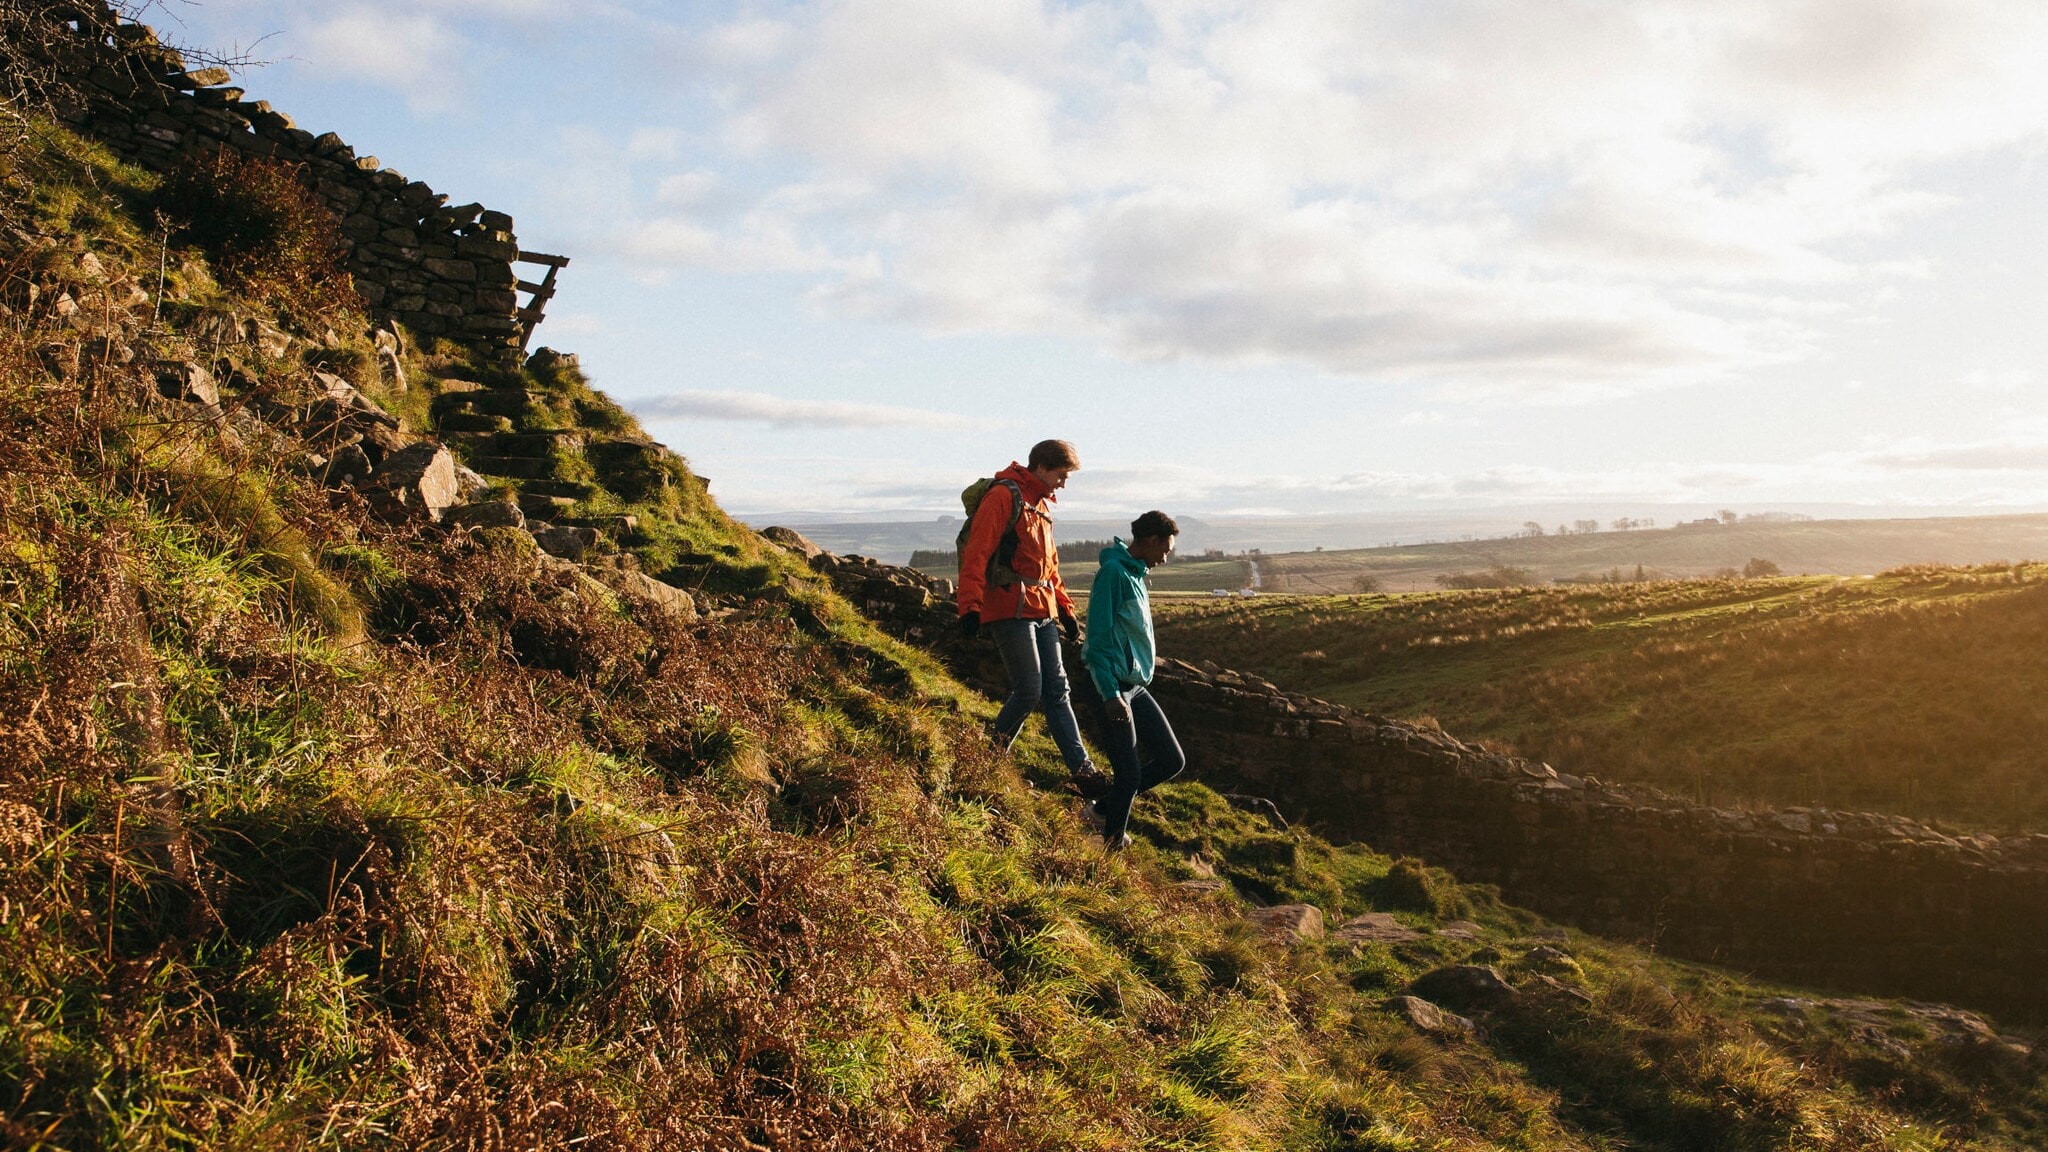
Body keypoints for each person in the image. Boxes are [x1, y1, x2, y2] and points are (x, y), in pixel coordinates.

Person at [957, 439, 1103, 790]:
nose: (1063, 483)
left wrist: (1066, 610)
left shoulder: (1041, 506)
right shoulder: (1004, 497)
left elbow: (1050, 567)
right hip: (1008, 606)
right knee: (1030, 689)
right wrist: (970, 607)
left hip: (1042, 609)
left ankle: (1083, 770)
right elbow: (977, 552)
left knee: (1058, 690)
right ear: (1040, 467)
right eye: (1061, 475)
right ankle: (987, 758)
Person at [1077, 511, 1186, 850]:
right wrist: (1110, 694)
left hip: (1134, 686)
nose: (1165, 558)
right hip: (1110, 686)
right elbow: (1096, 640)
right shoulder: (1113, 573)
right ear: (1151, 541)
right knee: (1128, 773)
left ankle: (1103, 811)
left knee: (1172, 760)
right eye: (1165, 550)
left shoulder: (1135, 573)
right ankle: (1111, 850)